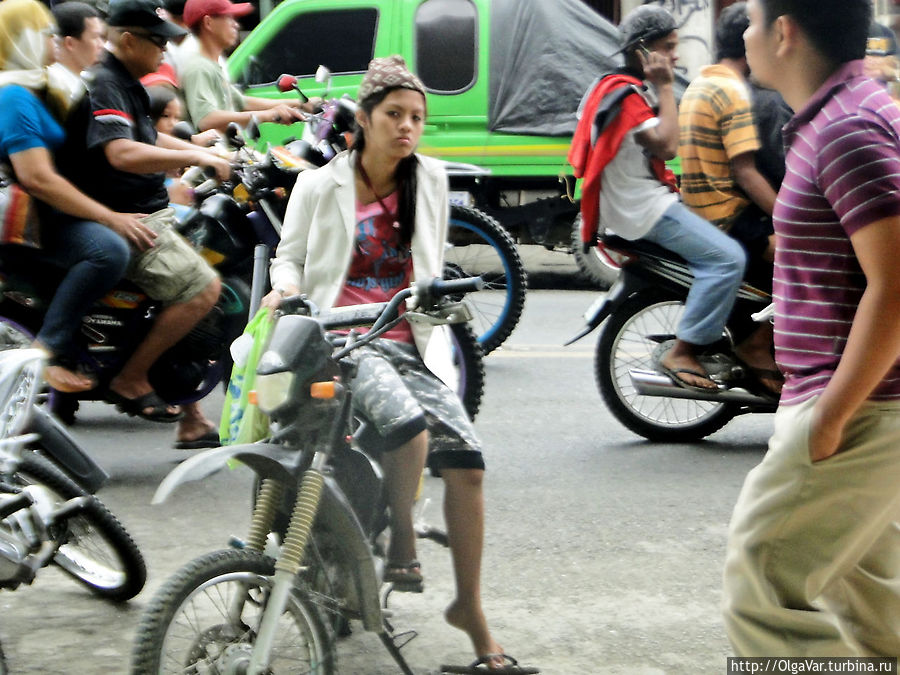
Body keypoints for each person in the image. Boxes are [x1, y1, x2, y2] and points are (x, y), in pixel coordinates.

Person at [262, 56, 538, 674]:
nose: (407, 127)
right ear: (363, 120)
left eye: (417, 117)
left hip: (406, 340)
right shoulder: (317, 185)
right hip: (341, 343)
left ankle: (470, 609)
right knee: (407, 425)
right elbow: (289, 258)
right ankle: (405, 547)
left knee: (468, 462)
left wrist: (437, 291)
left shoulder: (430, 181)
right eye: (394, 115)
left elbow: (428, 269)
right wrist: (285, 290)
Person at [723, 0, 900, 656]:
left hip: (857, 406)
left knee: (761, 578)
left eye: (752, 18)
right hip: (863, 402)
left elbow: (897, 284)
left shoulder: (849, 128)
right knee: (874, 599)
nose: (743, 33)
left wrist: (830, 416)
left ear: (785, 31)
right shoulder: (844, 116)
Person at [58, 0, 229, 446]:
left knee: (204, 264)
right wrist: (194, 155)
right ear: (128, 40)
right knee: (203, 289)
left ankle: (192, 416)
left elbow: (145, 135)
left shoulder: (126, 83)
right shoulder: (106, 84)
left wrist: (197, 144)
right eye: (157, 42)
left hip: (154, 208)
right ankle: (131, 378)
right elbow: (121, 152)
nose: (164, 52)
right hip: (128, 217)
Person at [569, 5, 746, 392]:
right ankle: (682, 351)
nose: (676, 55)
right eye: (668, 46)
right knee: (729, 260)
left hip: (639, 204)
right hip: (646, 210)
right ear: (643, 51)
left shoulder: (608, 87)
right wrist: (665, 86)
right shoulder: (626, 97)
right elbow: (668, 146)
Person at [0, 0, 147, 393]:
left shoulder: (37, 85)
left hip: (44, 212)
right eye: (42, 34)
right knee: (108, 251)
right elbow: (39, 179)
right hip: (28, 222)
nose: (52, 40)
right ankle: (47, 353)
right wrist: (110, 217)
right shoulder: (14, 96)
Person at [677, 1, 782, 395]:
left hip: (700, 208)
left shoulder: (702, 82)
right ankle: (755, 342)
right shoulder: (735, 93)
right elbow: (746, 172)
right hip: (726, 214)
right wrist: (787, 217)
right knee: (797, 256)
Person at [179, 0, 315, 132]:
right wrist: (270, 115)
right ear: (208, 23)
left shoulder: (212, 64)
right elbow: (206, 119)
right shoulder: (199, 68)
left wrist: (299, 104)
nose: (236, 25)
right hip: (218, 153)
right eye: (229, 18)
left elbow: (242, 102)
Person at [49, 1, 105, 96]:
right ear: (70, 43)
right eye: (95, 37)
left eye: (101, 37)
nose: (101, 45)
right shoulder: (55, 91)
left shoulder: (83, 83)